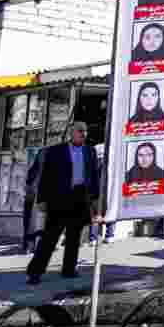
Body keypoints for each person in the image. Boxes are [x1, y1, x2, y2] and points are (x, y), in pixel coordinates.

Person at [26, 122, 101, 284]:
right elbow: (46, 177)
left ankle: (69, 269)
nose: (84, 134)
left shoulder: (90, 151)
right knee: (50, 237)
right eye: (81, 131)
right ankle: (35, 272)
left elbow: (94, 176)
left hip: (80, 197)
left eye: (86, 131)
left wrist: (95, 201)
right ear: (71, 132)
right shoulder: (55, 151)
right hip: (59, 199)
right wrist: (42, 199)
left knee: (74, 238)